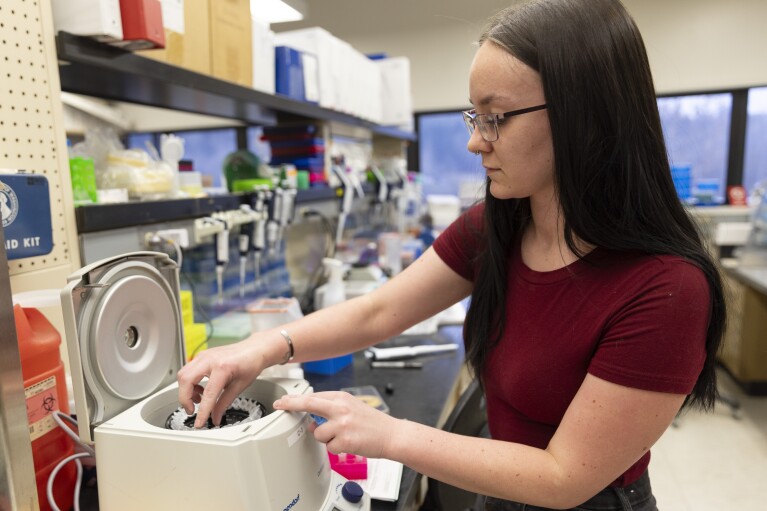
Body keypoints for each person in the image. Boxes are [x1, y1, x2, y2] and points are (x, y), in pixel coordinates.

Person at [177, 0, 725, 509]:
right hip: (503, 483)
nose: (474, 141)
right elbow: (379, 312)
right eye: (474, 117)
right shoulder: (501, 224)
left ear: (583, 116)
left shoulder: (666, 289)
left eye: (496, 117)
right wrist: (265, 347)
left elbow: (566, 477)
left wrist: (392, 436)